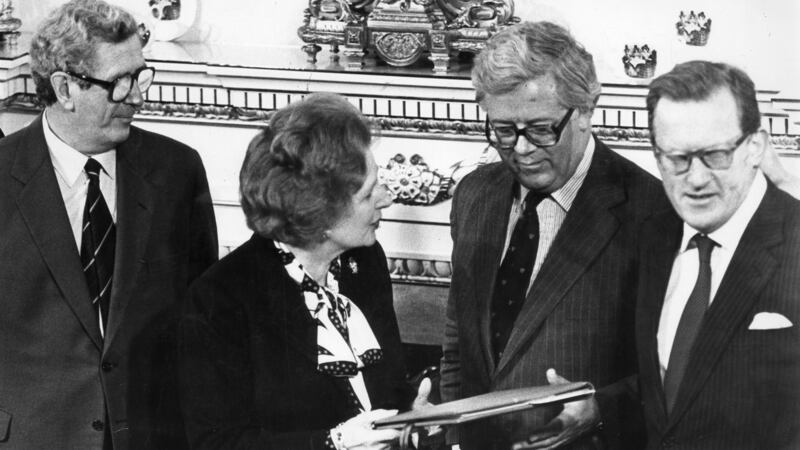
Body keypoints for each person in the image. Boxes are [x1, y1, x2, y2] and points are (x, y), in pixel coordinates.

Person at [439, 21, 669, 450]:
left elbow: (674, 374)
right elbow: (458, 348)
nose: (521, 149)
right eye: (503, 131)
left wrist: (601, 410)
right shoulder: (474, 195)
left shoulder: (651, 212)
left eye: (541, 128)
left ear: (585, 110)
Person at [0, 0, 218, 448]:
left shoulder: (178, 172)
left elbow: (201, 324)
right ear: (64, 88)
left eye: (141, 75)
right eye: (118, 82)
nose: (137, 96)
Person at [178, 92, 431, 449]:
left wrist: (412, 411)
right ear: (321, 213)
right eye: (369, 192)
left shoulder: (366, 263)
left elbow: (379, 389)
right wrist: (332, 443)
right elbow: (217, 444)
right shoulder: (220, 299)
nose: (387, 199)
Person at [635, 60, 800, 448]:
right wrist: (596, 410)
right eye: (677, 159)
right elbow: (675, 392)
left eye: (715, 156)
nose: (695, 180)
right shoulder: (652, 235)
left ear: (755, 147)